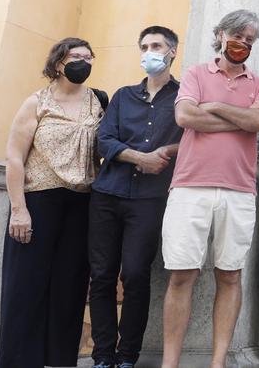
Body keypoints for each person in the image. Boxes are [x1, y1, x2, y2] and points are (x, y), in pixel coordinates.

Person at [161, 10, 259, 368]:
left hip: (239, 191)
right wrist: (240, 119)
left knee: (230, 274)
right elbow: (185, 118)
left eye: (250, 40)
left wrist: (215, 107)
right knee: (182, 274)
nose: (243, 44)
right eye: (238, 36)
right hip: (190, 186)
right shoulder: (195, 74)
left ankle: (218, 362)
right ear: (221, 35)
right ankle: (170, 363)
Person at [0, 37, 106, 367]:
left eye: (89, 57)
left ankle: (59, 360)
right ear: (59, 62)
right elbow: (14, 157)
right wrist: (19, 210)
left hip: (81, 205)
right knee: (24, 286)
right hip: (37, 202)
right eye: (76, 56)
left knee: (69, 289)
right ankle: (17, 361)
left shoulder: (99, 102)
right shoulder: (36, 102)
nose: (83, 62)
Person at [89, 26, 183, 368]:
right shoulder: (123, 95)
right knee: (101, 275)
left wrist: (167, 150)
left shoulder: (185, 96)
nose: (149, 52)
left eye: (156, 45)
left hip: (150, 199)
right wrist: (140, 158)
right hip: (107, 194)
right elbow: (105, 140)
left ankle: (127, 356)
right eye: (144, 46)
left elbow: (193, 140)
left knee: (135, 274)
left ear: (172, 51)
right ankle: (102, 355)